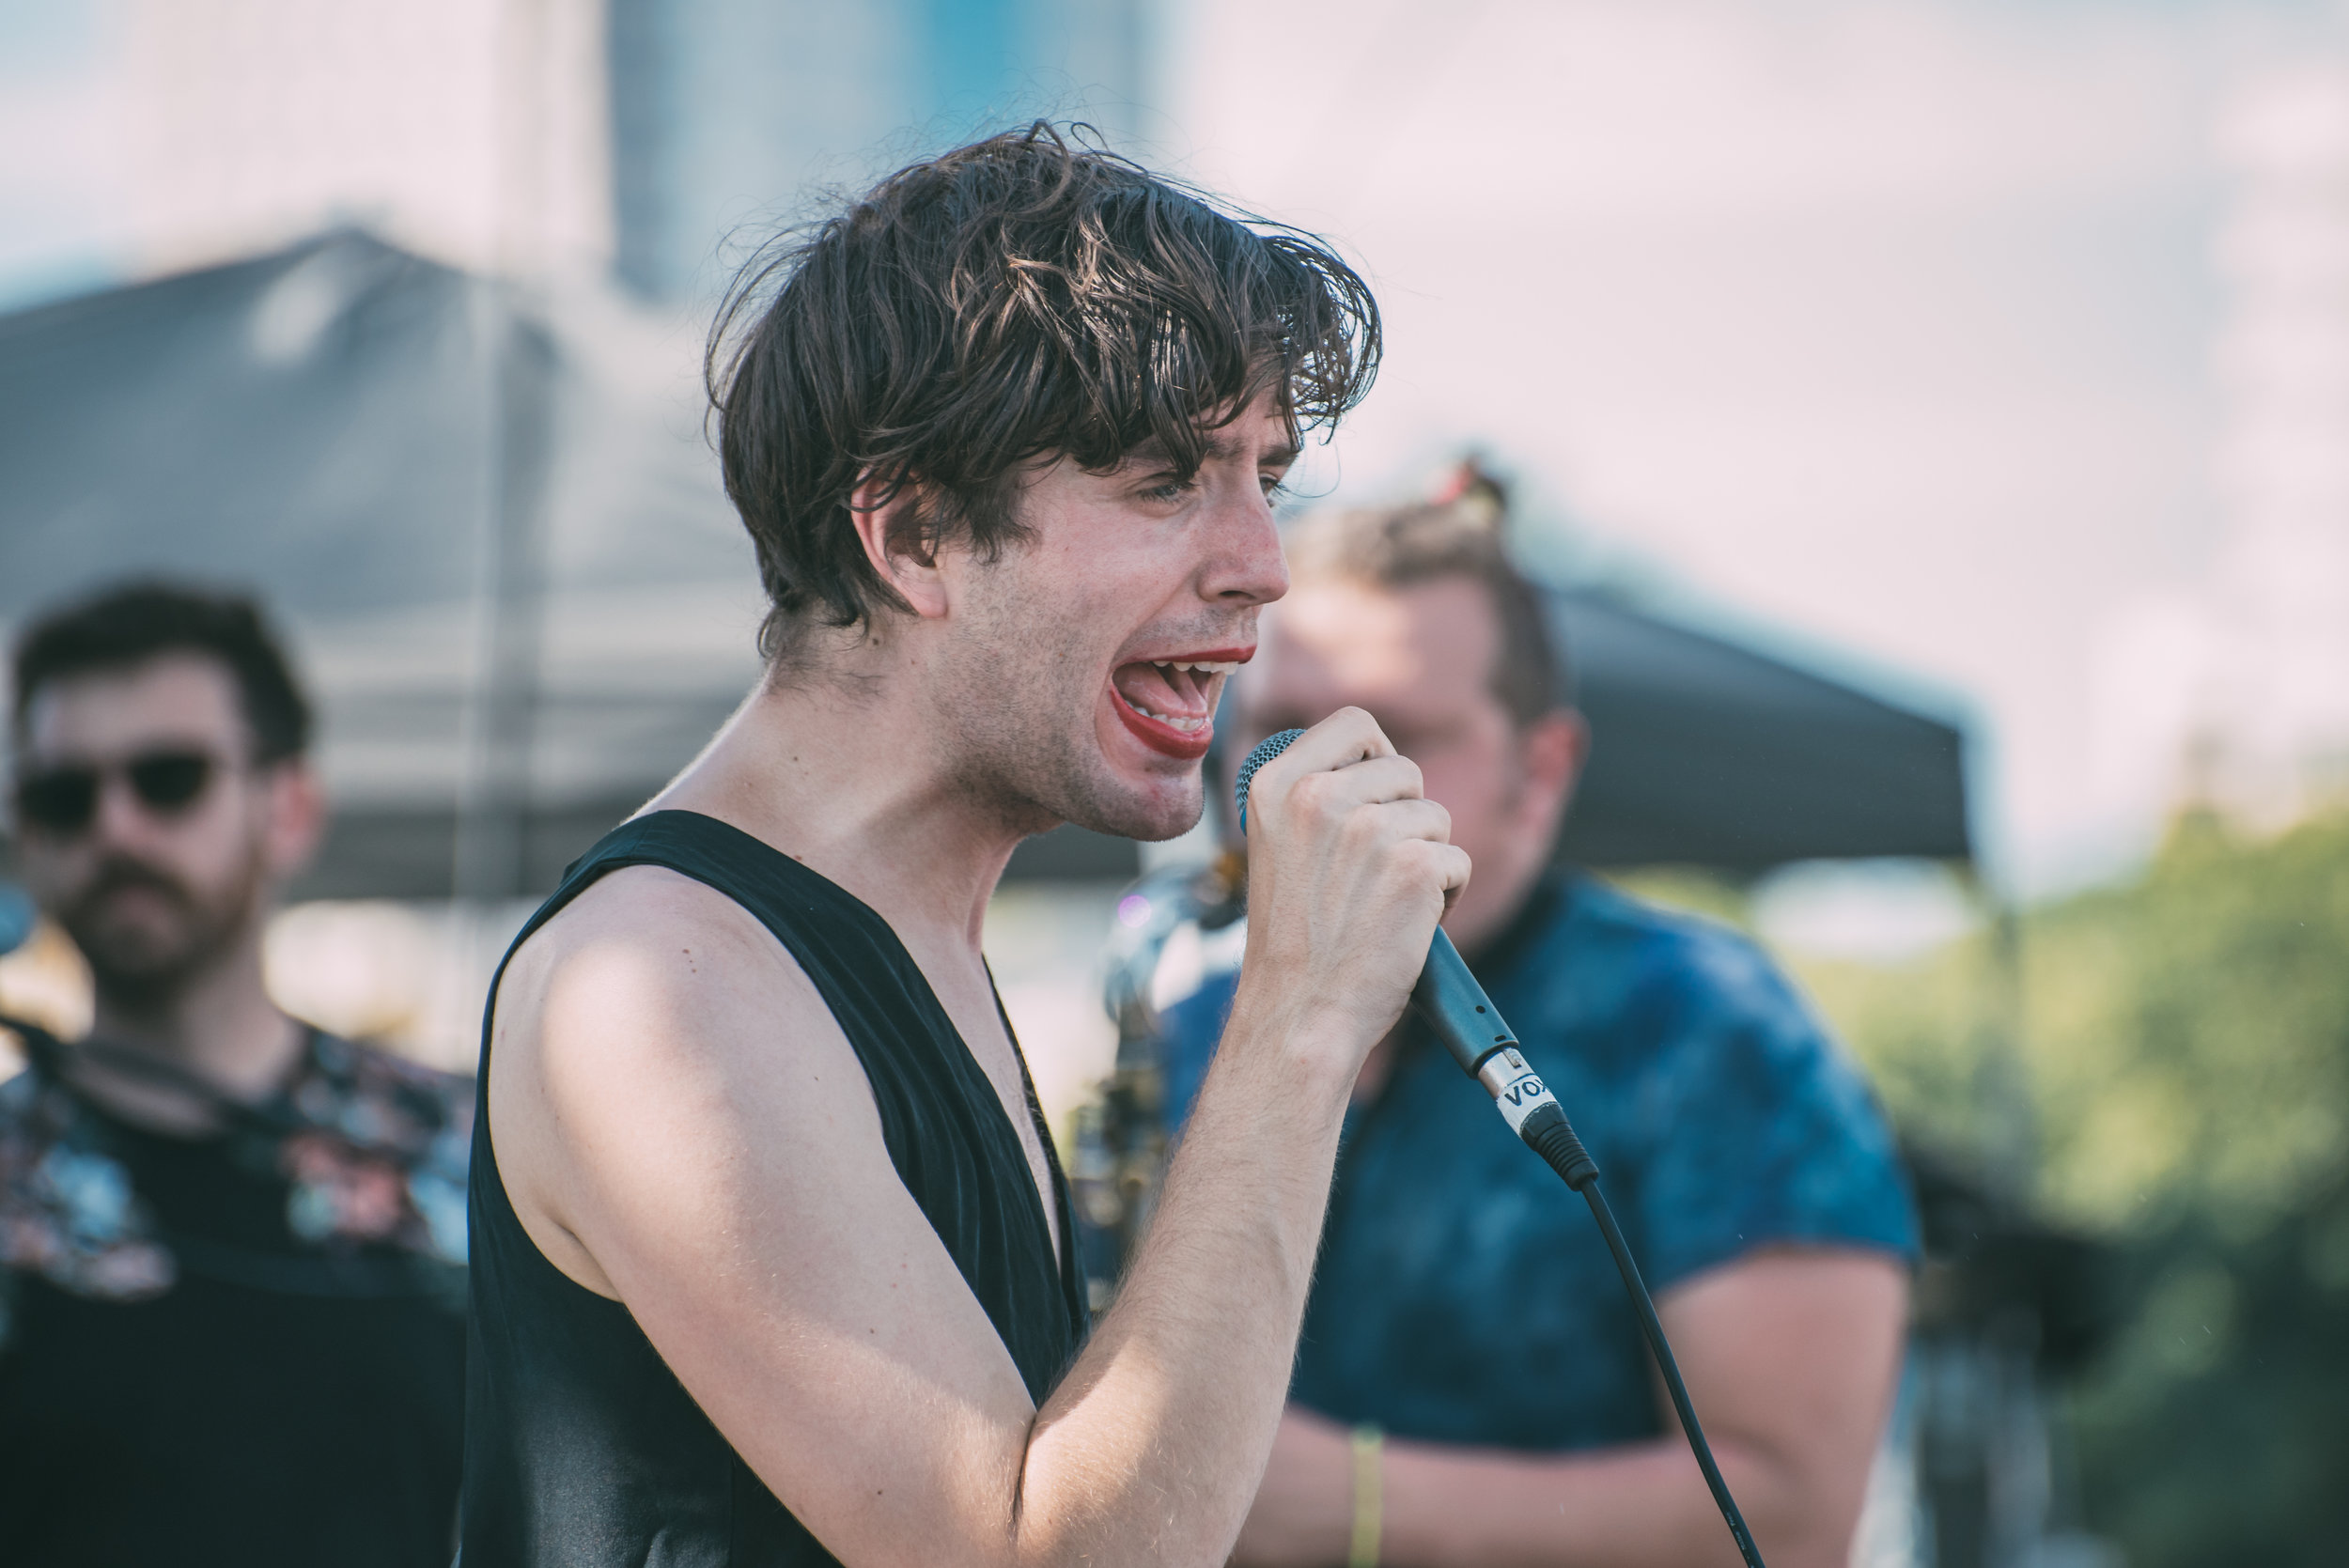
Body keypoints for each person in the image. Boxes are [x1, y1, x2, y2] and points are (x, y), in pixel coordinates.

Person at [459, 124, 1462, 1567]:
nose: (1264, 562)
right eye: (1167, 479)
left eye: (1266, 475)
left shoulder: (914, 940)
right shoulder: (665, 980)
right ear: (917, 534)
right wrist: (1301, 1021)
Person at [1132, 479, 1918, 1568]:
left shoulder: (1706, 1028)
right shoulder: (1177, 998)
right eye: (1274, 733)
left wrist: (1350, 1503)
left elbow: (1791, 1515)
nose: (1319, 790)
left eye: (1397, 736)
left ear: (1537, 772)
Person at [0, 582, 472, 1567]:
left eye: (168, 779)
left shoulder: (463, 1150)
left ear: (288, 807)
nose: (115, 830)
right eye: (63, 794)